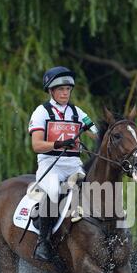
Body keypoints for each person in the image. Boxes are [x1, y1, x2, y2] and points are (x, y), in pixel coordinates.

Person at [28, 66, 97, 262]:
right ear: (51, 91)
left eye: (68, 89)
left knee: (95, 188)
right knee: (53, 192)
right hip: (51, 164)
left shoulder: (77, 111)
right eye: (60, 89)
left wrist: (107, 132)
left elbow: (95, 131)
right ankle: (43, 242)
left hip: (73, 164)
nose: (65, 93)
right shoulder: (41, 112)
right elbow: (36, 145)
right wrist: (58, 143)